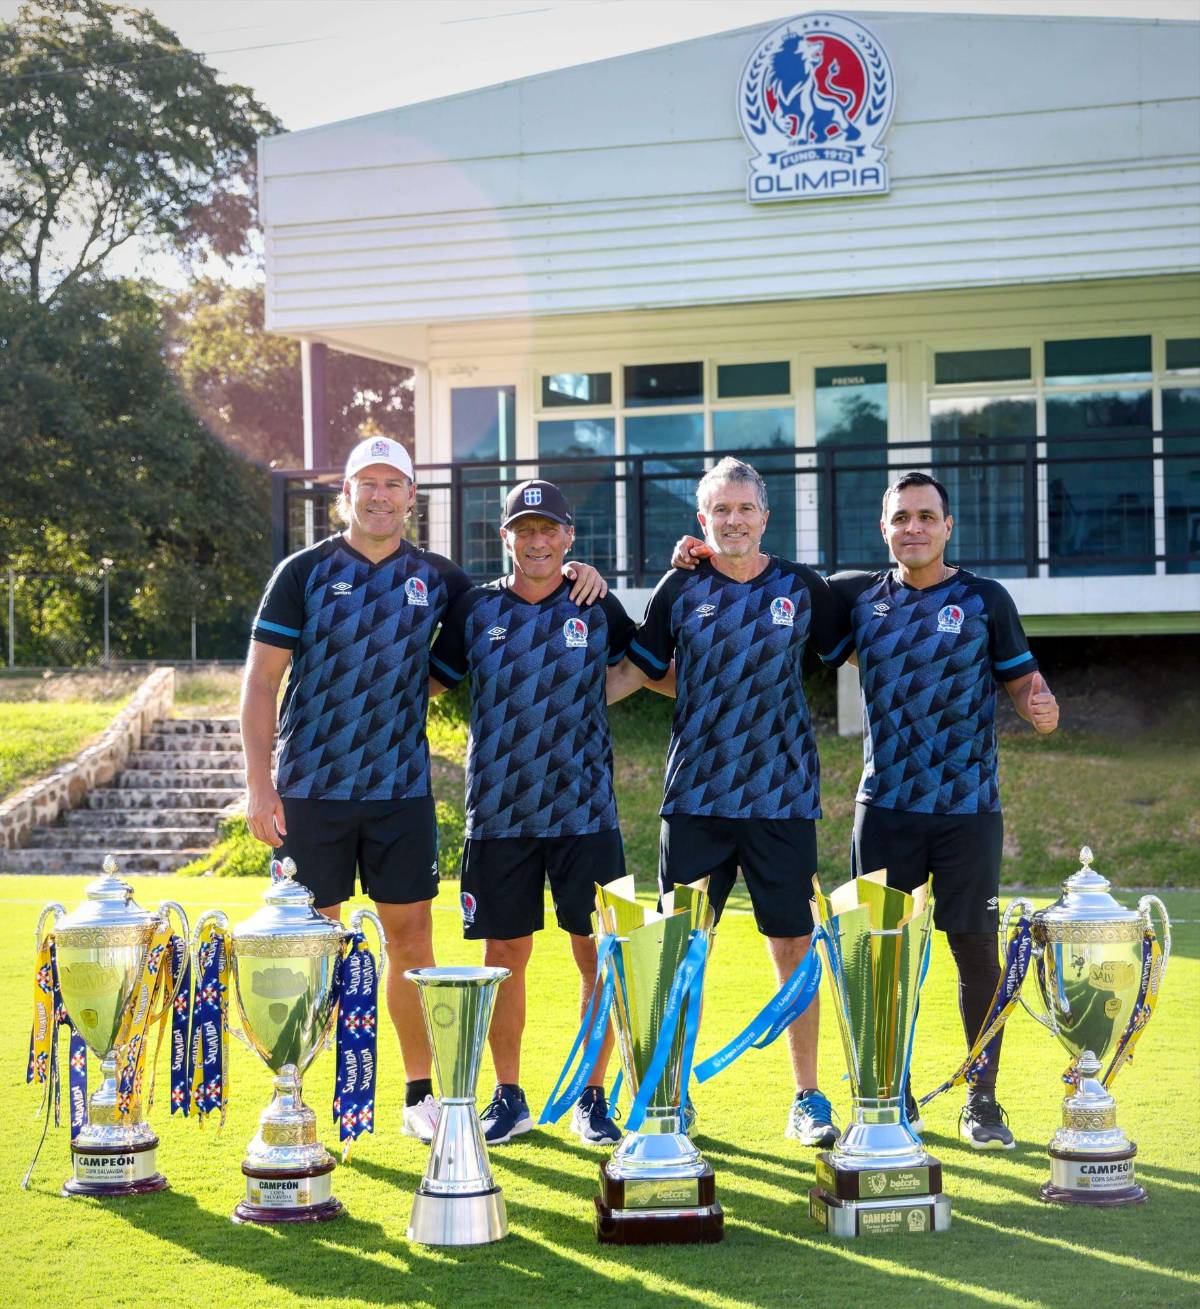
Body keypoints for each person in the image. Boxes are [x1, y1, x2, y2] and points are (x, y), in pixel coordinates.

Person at [242, 439, 605, 1145]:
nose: (380, 495)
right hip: (310, 793)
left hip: (400, 792)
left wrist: (577, 572)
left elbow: (518, 597)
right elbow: (260, 684)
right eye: (366, 483)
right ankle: (298, 1100)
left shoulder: (440, 579)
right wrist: (260, 786)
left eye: (393, 484)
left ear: (412, 496)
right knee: (309, 947)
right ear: (344, 493)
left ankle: (419, 1093)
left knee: (412, 943)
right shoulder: (305, 572)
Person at [608, 457, 847, 1146]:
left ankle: (808, 1097)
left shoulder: (802, 588)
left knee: (795, 946)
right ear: (702, 520)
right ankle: (671, 1097)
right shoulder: (680, 587)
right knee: (683, 950)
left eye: (745, 508)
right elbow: (644, 670)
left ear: (765, 517)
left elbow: (858, 646)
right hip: (697, 799)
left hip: (783, 798)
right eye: (721, 510)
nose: (734, 520)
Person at [823, 470, 1060, 1148]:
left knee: (975, 952)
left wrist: (1040, 710)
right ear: (885, 528)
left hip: (968, 810)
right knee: (880, 956)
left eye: (927, 516)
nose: (915, 527)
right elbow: (769, 579)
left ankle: (982, 1100)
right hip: (886, 809)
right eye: (902, 517)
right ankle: (887, 1094)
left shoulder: (985, 598)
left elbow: (1023, 682)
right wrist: (693, 556)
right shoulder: (857, 598)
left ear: (948, 526)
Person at [429, 479, 647, 1146]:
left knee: (599, 958)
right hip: (498, 816)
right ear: (507, 538)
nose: (537, 540)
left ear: (569, 538)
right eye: (524, 529)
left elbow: (644, 665)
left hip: (586, 814)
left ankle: (593, 1094)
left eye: (549, 528)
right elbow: (430, 680)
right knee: (504, 956)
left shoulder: (595, 602)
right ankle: (509, 1095)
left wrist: (586, 700)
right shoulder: (474, 608)